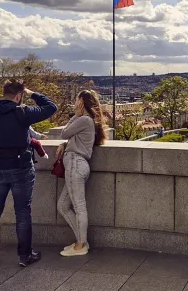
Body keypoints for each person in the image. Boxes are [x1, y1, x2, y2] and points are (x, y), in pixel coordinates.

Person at [0, 80, 58, 271]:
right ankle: (24, 255)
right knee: (22, 212)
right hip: (20, 166)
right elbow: (50, 107)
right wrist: (32, 93)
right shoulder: (21, 112)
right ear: (18, 96)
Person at [57, 90, 106, 257]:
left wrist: (75, 115)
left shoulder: (84, 119)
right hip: (79, 165)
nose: (75, 102)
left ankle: (80, 246)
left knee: (79, 207)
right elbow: (72, 139)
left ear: (82, 102)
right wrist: (65, 144)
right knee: (63, 206)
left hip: (75, 165)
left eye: (77, 99)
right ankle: (81, 240)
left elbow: (64, 132)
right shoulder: (89, 121)